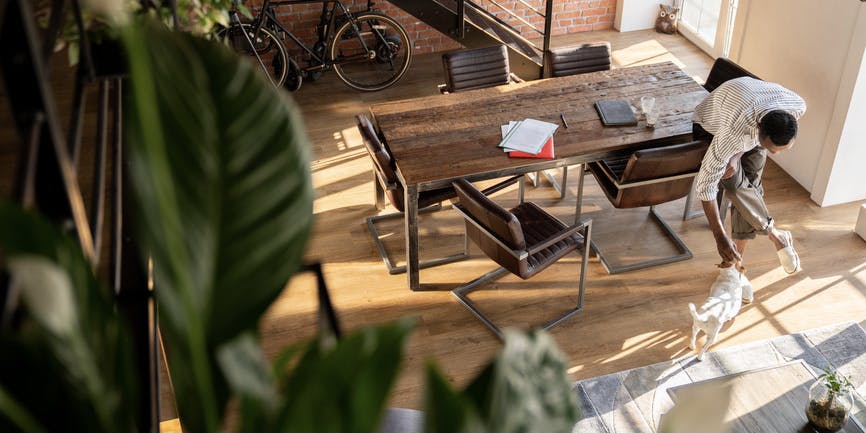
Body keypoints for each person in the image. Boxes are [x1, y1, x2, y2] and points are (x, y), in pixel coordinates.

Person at [692, 76, 806, 273]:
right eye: (770, 148)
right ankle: (775, 235)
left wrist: (738, 155)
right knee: (734, 185)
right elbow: (705, 185)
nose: (775, 154)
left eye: (781, 149)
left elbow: (758, 142)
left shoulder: (796, 106)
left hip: (749, 125)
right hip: (711, 126)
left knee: (750, 187)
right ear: (759, 127)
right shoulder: (732, 133)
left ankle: (734, 267)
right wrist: (720, 237)